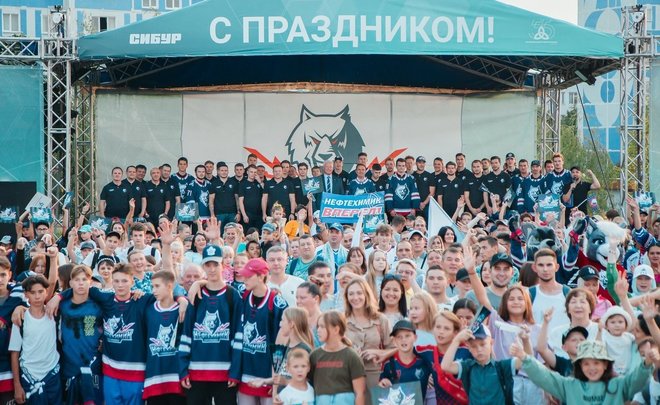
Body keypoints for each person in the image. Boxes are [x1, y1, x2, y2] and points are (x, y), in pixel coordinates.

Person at [179, 243, 241, 404]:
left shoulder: (232, 295)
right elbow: (187, 334)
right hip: (196, 372)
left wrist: (235, 371)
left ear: (223, 265)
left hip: (225, 373)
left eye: (216, 264)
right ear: (203, 266)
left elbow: (238, 336)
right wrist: (183, 369)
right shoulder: (196, 294)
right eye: (208, 265)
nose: (212, 269)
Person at [516, 339, 658, 405]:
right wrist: (524, 358)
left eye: (596, 363)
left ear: (605, 364)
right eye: (586, 363)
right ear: (580, 366)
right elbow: (545, 377)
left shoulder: (619, 384)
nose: (592, 368)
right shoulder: (569, 385)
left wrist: (647, 363)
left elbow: (637, 379)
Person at [230, 258, 288, 404]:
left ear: (261, 276)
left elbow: (281, 344)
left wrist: (275, 381)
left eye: (249, 276)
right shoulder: (242, 295)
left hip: (267, 372)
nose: (244, 279)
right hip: (245, 372)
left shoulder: (277, 303)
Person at [10, 273, 61, 405]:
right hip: (28, 376)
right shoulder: (20, 319)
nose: (37, 296)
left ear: (46, 292)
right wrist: (17, 385)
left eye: (40, 291)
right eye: (33, 292)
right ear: (26, 294)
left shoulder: (55, 314)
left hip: (52, 374)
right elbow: (14, 353)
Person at [441, 324, 520, 405]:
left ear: (491, 343)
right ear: (469, 348)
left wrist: (525, 341)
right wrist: (456, 340)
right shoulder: (467, 367)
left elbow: (523, 362)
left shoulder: (502, 366)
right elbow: (445, 366)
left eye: (483, 344)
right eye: (473, 346)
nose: (479, 349)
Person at [143, 271, 185, 404]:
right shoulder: (148, 310)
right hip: (155, 378)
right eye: (152, 286)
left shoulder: (183, 310)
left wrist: (182, 300)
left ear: (169, 286)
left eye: (157, 286)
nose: (153, 291)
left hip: (178, 378)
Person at [309, 311, 366, 405]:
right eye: (318, 326)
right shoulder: (314, 355)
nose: (318, 330)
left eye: (322, 327)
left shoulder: (351, 356)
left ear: (336, 329)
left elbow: (360, 393)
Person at [343, 278, 391, 390]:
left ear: (366, 295)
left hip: (376, 377)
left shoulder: (381, 320)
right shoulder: (342, 320)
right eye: (351, 294)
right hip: (348, 376)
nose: (355, 297)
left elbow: (394, 348)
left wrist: (378, 352)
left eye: (359, 293)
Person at [378, 320, 433, 400]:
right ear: (394, 341)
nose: (403, 340)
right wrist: (383, 383)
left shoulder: (424, 360)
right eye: (399, 337)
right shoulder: (388, 363)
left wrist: (433, 375)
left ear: (415, 338)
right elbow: (381, 388)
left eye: (407, 336)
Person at [599, 306, 635, 375]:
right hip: (611, 372)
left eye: (620, 322)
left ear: (626, 324)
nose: (617, 325)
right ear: (606, 326)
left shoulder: (629, 337)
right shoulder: (605, 336)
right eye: (613, 322)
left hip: (627, 371)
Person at [209, 161, 241, 234]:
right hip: (219, 214)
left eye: (226, 170)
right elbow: (211, 201)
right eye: (222, 170)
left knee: (233, 233)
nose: (224, 172)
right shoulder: (214, 184)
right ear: (218, 172)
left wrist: (238, 213)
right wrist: (212, 215)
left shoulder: (233, 183)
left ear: (228, 171)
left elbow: (237, 199)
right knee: (219, 234)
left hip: (232, 214)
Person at [239, 165, 264, 230]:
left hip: (259, 214)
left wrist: (260, 182)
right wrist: (244, 215)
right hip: (248, 213)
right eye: (251, 172)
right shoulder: (242, 184)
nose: (253, 174)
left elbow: (266, 193)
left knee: (259, 233)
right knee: (248, 233)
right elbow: (240, 201)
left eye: (255, 172)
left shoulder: (259, 183)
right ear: (247, 172)